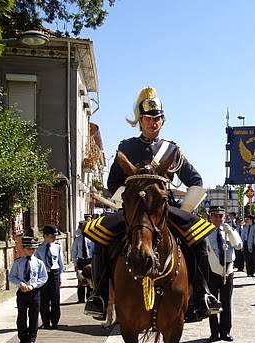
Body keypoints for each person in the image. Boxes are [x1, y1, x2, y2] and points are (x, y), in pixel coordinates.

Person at [82, 86, 221, 322]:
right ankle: (100, 295)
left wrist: (184, 209)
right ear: (140, 120)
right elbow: (113, 181)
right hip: (134, 210)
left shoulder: (172, 150)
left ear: (162, 121)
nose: (152, 123)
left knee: (198, 236)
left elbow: (195, 180)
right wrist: (129, 202)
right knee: (101, 235)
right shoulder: (126, 147)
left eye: (157, 119)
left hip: (163, 209)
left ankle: (202, 293)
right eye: (148, 118)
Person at [205, 206, 242, 342]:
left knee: (226, 303)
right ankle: (214, 332)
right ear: (210, 217)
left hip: (227, 271)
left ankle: (225, 332)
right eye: (215, 216)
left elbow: (238, 246)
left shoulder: (229, 231)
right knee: (213, 302)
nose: (218, 219)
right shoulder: (206, 232)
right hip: (213, 271)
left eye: (221, 216)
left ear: (224, 217)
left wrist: (231, 233)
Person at [8, 236, 48, 343]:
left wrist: (33, 286)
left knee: (34, 316)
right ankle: (22, 338)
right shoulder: (18, 262)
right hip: (22, 292)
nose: (32, 251)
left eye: (34, 249)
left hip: (34, 293)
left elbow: (43, 277)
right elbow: (12, 276)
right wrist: (20, 283)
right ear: (24, 248)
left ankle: (32, 338)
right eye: (29, 248)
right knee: (22, 316)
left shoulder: (39, 263)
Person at [36, 224, 64, 329]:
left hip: (54, 274)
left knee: (55, 299)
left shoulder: (57, 247)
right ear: (46, 236)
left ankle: (55, 321)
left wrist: (60, 275)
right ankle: (46, 322)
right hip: (44, 275)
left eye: (55, 236)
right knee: (44, 300)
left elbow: (60, 263)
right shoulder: (39, 248)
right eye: (52, 236)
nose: (54, 238)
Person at [72, 220, 95, 303]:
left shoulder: (91, 239)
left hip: (89, 260)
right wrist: (75, 264)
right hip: (81, 261)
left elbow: (93, 251)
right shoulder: (77, 239)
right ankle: (81, 298)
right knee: (81, 279)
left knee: (90, 279)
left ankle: (89, 297)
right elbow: (74, 252)